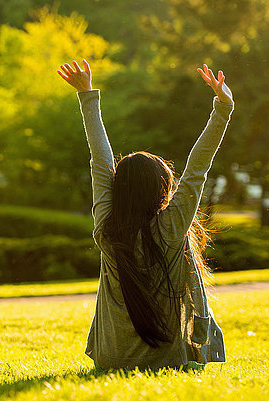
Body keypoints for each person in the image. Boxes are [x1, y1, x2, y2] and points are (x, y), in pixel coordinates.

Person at [57, 59, 234, 372]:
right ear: (163, 187)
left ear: (118, 189)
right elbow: (197, 169)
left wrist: (87, 93)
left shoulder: (107, 229)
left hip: (111, 359)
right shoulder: (171, 227)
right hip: (170, 361)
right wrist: (223, 107)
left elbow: (100, 161)